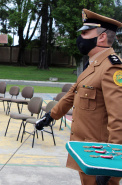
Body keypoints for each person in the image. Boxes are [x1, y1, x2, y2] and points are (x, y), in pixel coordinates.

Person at [36, 9, 122, 185]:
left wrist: (110, 164)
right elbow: (71, 95)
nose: (80, 38)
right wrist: (50, 116)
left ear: (102, 37)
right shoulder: (93, 65)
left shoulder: (112, 68)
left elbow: (119, 119)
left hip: (99, 157)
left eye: (85, 33)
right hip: (84, 152)